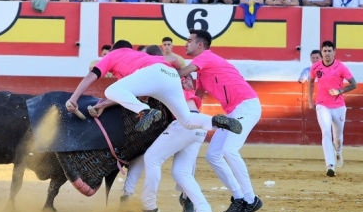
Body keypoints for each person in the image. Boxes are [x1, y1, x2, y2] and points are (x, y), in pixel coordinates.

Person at [66, 39, 241, 138]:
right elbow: (131, 93)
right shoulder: (137, 57)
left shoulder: (113, 55)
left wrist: (73, 98)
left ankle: (144, 112)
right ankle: (217, 121)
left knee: (109, 90)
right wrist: (102, 106)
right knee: (187, 121)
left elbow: (92, 75)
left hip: (154, 74)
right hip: (171, 76)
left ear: (114, 50)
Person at [178, 29, 262, 212]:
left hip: (246, 106)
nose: (185, 44)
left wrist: (182, 76)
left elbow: (181, 73)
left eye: (189, 41)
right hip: (233, 111)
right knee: (213, 154)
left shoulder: (206, 57)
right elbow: (196, 99)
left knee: (229, 150)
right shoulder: (202, 70)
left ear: (200, 45)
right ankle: (239, 197)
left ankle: (251, 199)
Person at [120, 69, 212, 212]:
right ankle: (203, 210)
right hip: (200, 125)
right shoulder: (182, 82)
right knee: (182, 172)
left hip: (184, 124)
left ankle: (148, 205)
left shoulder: (166, 82)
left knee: (151, 158)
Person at [308, 40, 358, 176]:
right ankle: (330, 165)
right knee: (326, 132)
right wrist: (310, 100)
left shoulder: (341, 67)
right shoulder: (316, 67)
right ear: (322, 52)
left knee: (338, 137)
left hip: (339, 106)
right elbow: (311, 82)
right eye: (325, 51)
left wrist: (339, 91)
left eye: (330, 51)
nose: (327, 53)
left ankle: (339, 152)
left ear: (334, 52)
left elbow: (354, 84)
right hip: (322, 104)